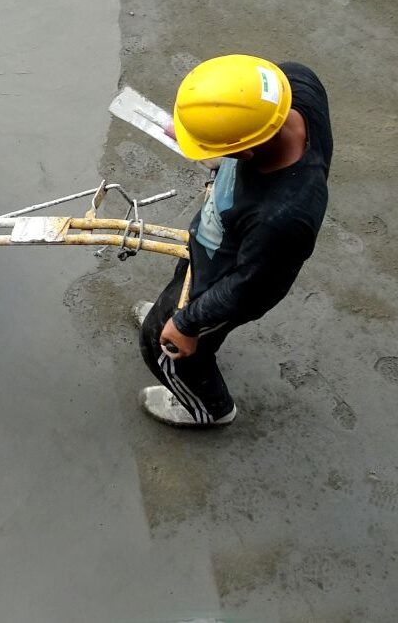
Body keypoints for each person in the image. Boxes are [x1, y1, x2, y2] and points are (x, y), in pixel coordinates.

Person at [135, 55, 333, 427]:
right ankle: (178, 320)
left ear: (245, 152)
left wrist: (188, 323)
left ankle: (208, 409)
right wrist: (211, 142)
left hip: (231, 277)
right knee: (176, 291)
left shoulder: (285, 216)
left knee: (163, 347)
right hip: (216, 241)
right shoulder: (295, 85)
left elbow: (251, 287)